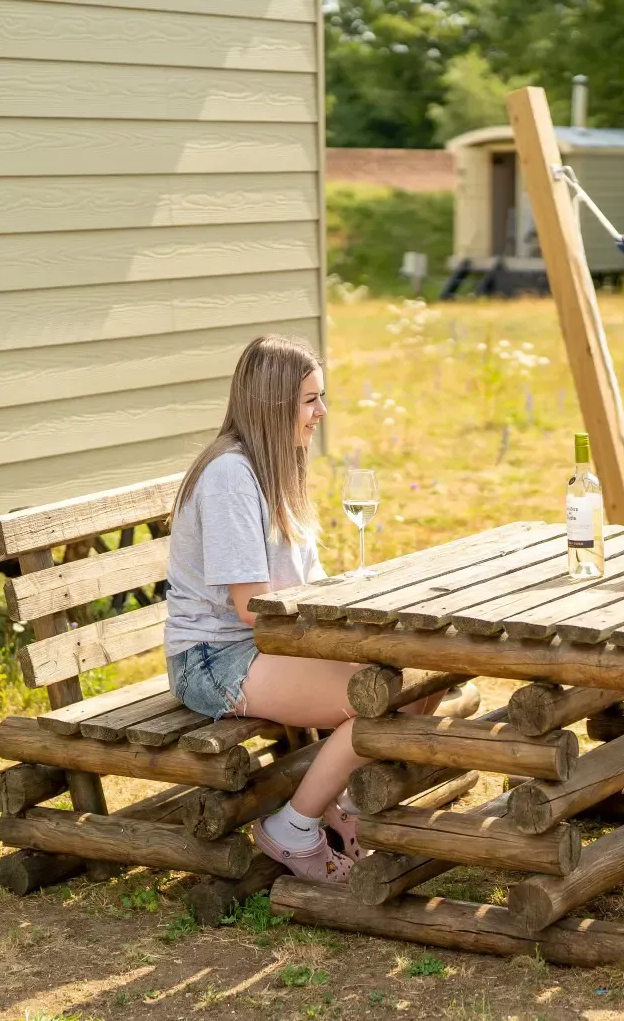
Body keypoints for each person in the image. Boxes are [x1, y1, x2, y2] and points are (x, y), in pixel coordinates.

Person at [164, 335, 441, 883]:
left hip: (267, 645)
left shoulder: (278, 468)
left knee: (422, 681)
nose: (322, 412)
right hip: (215, 658)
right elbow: (251, 607)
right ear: (273, 403)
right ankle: (294, 828)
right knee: (381, 697)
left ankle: (343, 808)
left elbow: (305, 583)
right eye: (310, 400)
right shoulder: (229, 477)